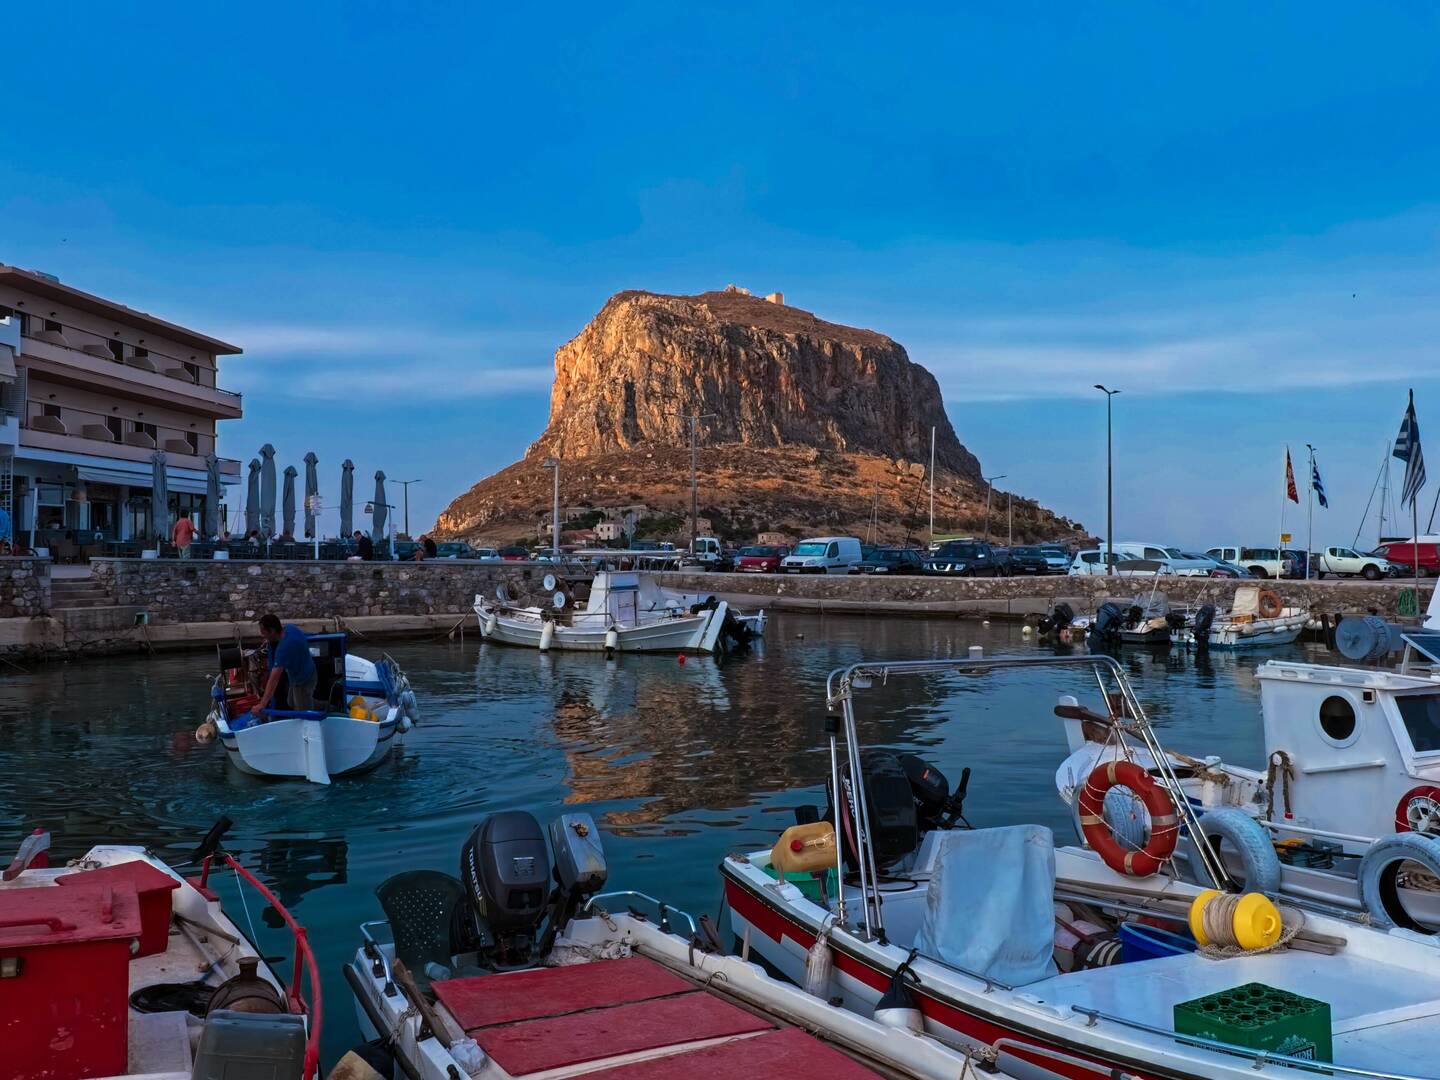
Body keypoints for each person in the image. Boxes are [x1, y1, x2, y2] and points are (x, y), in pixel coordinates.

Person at [251, 613, 317, 716]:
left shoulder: (282, 650)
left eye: (263, 632)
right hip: (310, 671)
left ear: (272, 631)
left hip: (302, 681)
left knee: (303, 714)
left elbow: (273, 680)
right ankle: (311, 704)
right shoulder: (290, 628)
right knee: (291, 701)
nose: (262, 635)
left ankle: (325, 709)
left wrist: (262, 705)